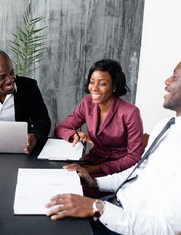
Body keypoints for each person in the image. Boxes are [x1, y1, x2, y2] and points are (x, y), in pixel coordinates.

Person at [46, 54, 181, 235]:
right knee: (46, 221)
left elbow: (165, 231)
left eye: (175, 76)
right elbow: (137, 173)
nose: (167, 81)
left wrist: (97, 207)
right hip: (113, 206)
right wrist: (94, 182)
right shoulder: (167, 126)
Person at [54, 59, 144, 197]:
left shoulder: (130, 112)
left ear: (114, 86)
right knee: (60, 178)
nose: (94, 88)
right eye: (92, 81)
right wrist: (74, 134)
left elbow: (134, 157)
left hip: (117, 170)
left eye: (102, 84)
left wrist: (92, 169)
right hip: (91, 160)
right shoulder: (87, 103)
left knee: (77, 188)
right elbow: (61, 128)